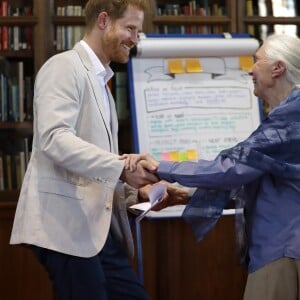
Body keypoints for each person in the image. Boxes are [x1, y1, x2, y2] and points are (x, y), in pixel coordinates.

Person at [122, 33, 300, 300]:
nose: (250, 69)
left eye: (257, 60)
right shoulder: (285, 118)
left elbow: (229, 169)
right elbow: (255, 184)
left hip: (283, 250)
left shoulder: (289, 122)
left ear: (278, 68)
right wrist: (183, 195)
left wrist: (160, 167)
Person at [9, 1, 161, 299]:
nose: (135, 38)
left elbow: (94, 169)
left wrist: (136, 193)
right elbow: (54, 138)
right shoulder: (63, 66)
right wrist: (122, 168)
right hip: (64, 229)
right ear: (104, 20)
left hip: (95, 231)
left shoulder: (101, 79)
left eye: (137, 31)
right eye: (130, 28)